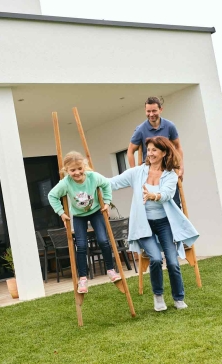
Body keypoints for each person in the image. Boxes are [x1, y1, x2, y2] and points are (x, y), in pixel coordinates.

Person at [109, 136, 199, 311]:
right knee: (156, 259)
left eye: (154, 150)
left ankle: (178, 298)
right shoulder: (137, 172)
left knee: (172, 262)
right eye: (148, 150)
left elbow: (166, 194)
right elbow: (112, 182)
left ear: (164, 152)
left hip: (165, 223)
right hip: (144, 224)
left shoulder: (170, 175)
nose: (150, 153)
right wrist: (87, 176)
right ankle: (158, 297)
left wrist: (153, 196)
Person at [48, 151, 120, 294]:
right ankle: (82, 278)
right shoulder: (65, 183)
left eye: (79, 168)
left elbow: (106, 184)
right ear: (66, 171)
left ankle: (111, 270)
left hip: (95, 212)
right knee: (80, 245)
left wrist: (106, 202)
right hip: (79, 216)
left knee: (103, 240)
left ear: (84, 167)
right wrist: (61, 213)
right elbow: (52, 196)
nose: (77, 173)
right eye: (72, 170)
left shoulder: (93, 177)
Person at [126, 97, 184, 208]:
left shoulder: (170, 126)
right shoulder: (140, 129)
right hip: (149, 173)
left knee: (174, 204)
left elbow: (178, 147)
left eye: (154, 111)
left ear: (160, 110)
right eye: (148, 111)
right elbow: (130, 151)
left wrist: (181, 168)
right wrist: (135, 173)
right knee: (153, 205)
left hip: (167, 170)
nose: (151, 114)